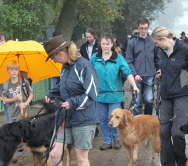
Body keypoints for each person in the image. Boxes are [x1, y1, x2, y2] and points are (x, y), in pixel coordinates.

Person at [151, 26, 188, 166]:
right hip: (165, 95)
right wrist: (161, 71)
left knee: (177, 132)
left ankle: (181, 161)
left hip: (182, 94)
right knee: (163, 132)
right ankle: (167, 163)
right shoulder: (160, 51)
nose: (156, 45)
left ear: (163, 39)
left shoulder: (184, 49)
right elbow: (165, 66)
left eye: (157, 42)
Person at [43, 36, 98, 166]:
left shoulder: (84, 66)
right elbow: (63, 85)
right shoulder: (65, 67)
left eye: (52, 57)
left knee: (81, 158)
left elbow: (92, 94)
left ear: (61, 53)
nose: (53, 60)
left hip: (83, 119)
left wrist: (71, 102)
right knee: (54, 154)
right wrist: (50, 94)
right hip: (65, 118)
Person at [90, 34, 139, 150]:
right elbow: (88, 73)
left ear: (112, 44)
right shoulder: (94, 58)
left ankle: (116, 139)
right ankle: (107, 141)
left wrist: (134, 86)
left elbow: (127, 72)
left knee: (114, 118)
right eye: (103, 44)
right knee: (103, 119)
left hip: (115, 94)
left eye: (108, 44)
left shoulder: (118, 58)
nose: (105, 46)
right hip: (100, 95)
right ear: (100, 44)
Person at [126, 17, 160, 115]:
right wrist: (134, 74)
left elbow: (157, 58)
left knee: (149, 100)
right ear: (138, 28)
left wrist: (158, 69)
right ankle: (138, 125)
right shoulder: (132, 42)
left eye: (145, 28)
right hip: (137, 76)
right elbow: (128, 60)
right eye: (141, 28)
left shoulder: (153, 42)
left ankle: (147, 122)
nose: (143, 30)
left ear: (148, 27)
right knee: (137, 102)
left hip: (150, 75)